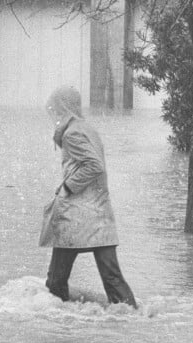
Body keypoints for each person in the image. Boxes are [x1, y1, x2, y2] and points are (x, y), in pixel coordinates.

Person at [39, 86, 137, 308]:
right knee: (112, 279)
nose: (52, 116)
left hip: (76, 217)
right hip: (98, 214)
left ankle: (61, 327)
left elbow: (94, 166)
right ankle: (135, 320)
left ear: (63, 108)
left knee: (56, 281)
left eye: (54, 110)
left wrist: (67, 188)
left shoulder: (72, 133)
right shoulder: (87, 128)